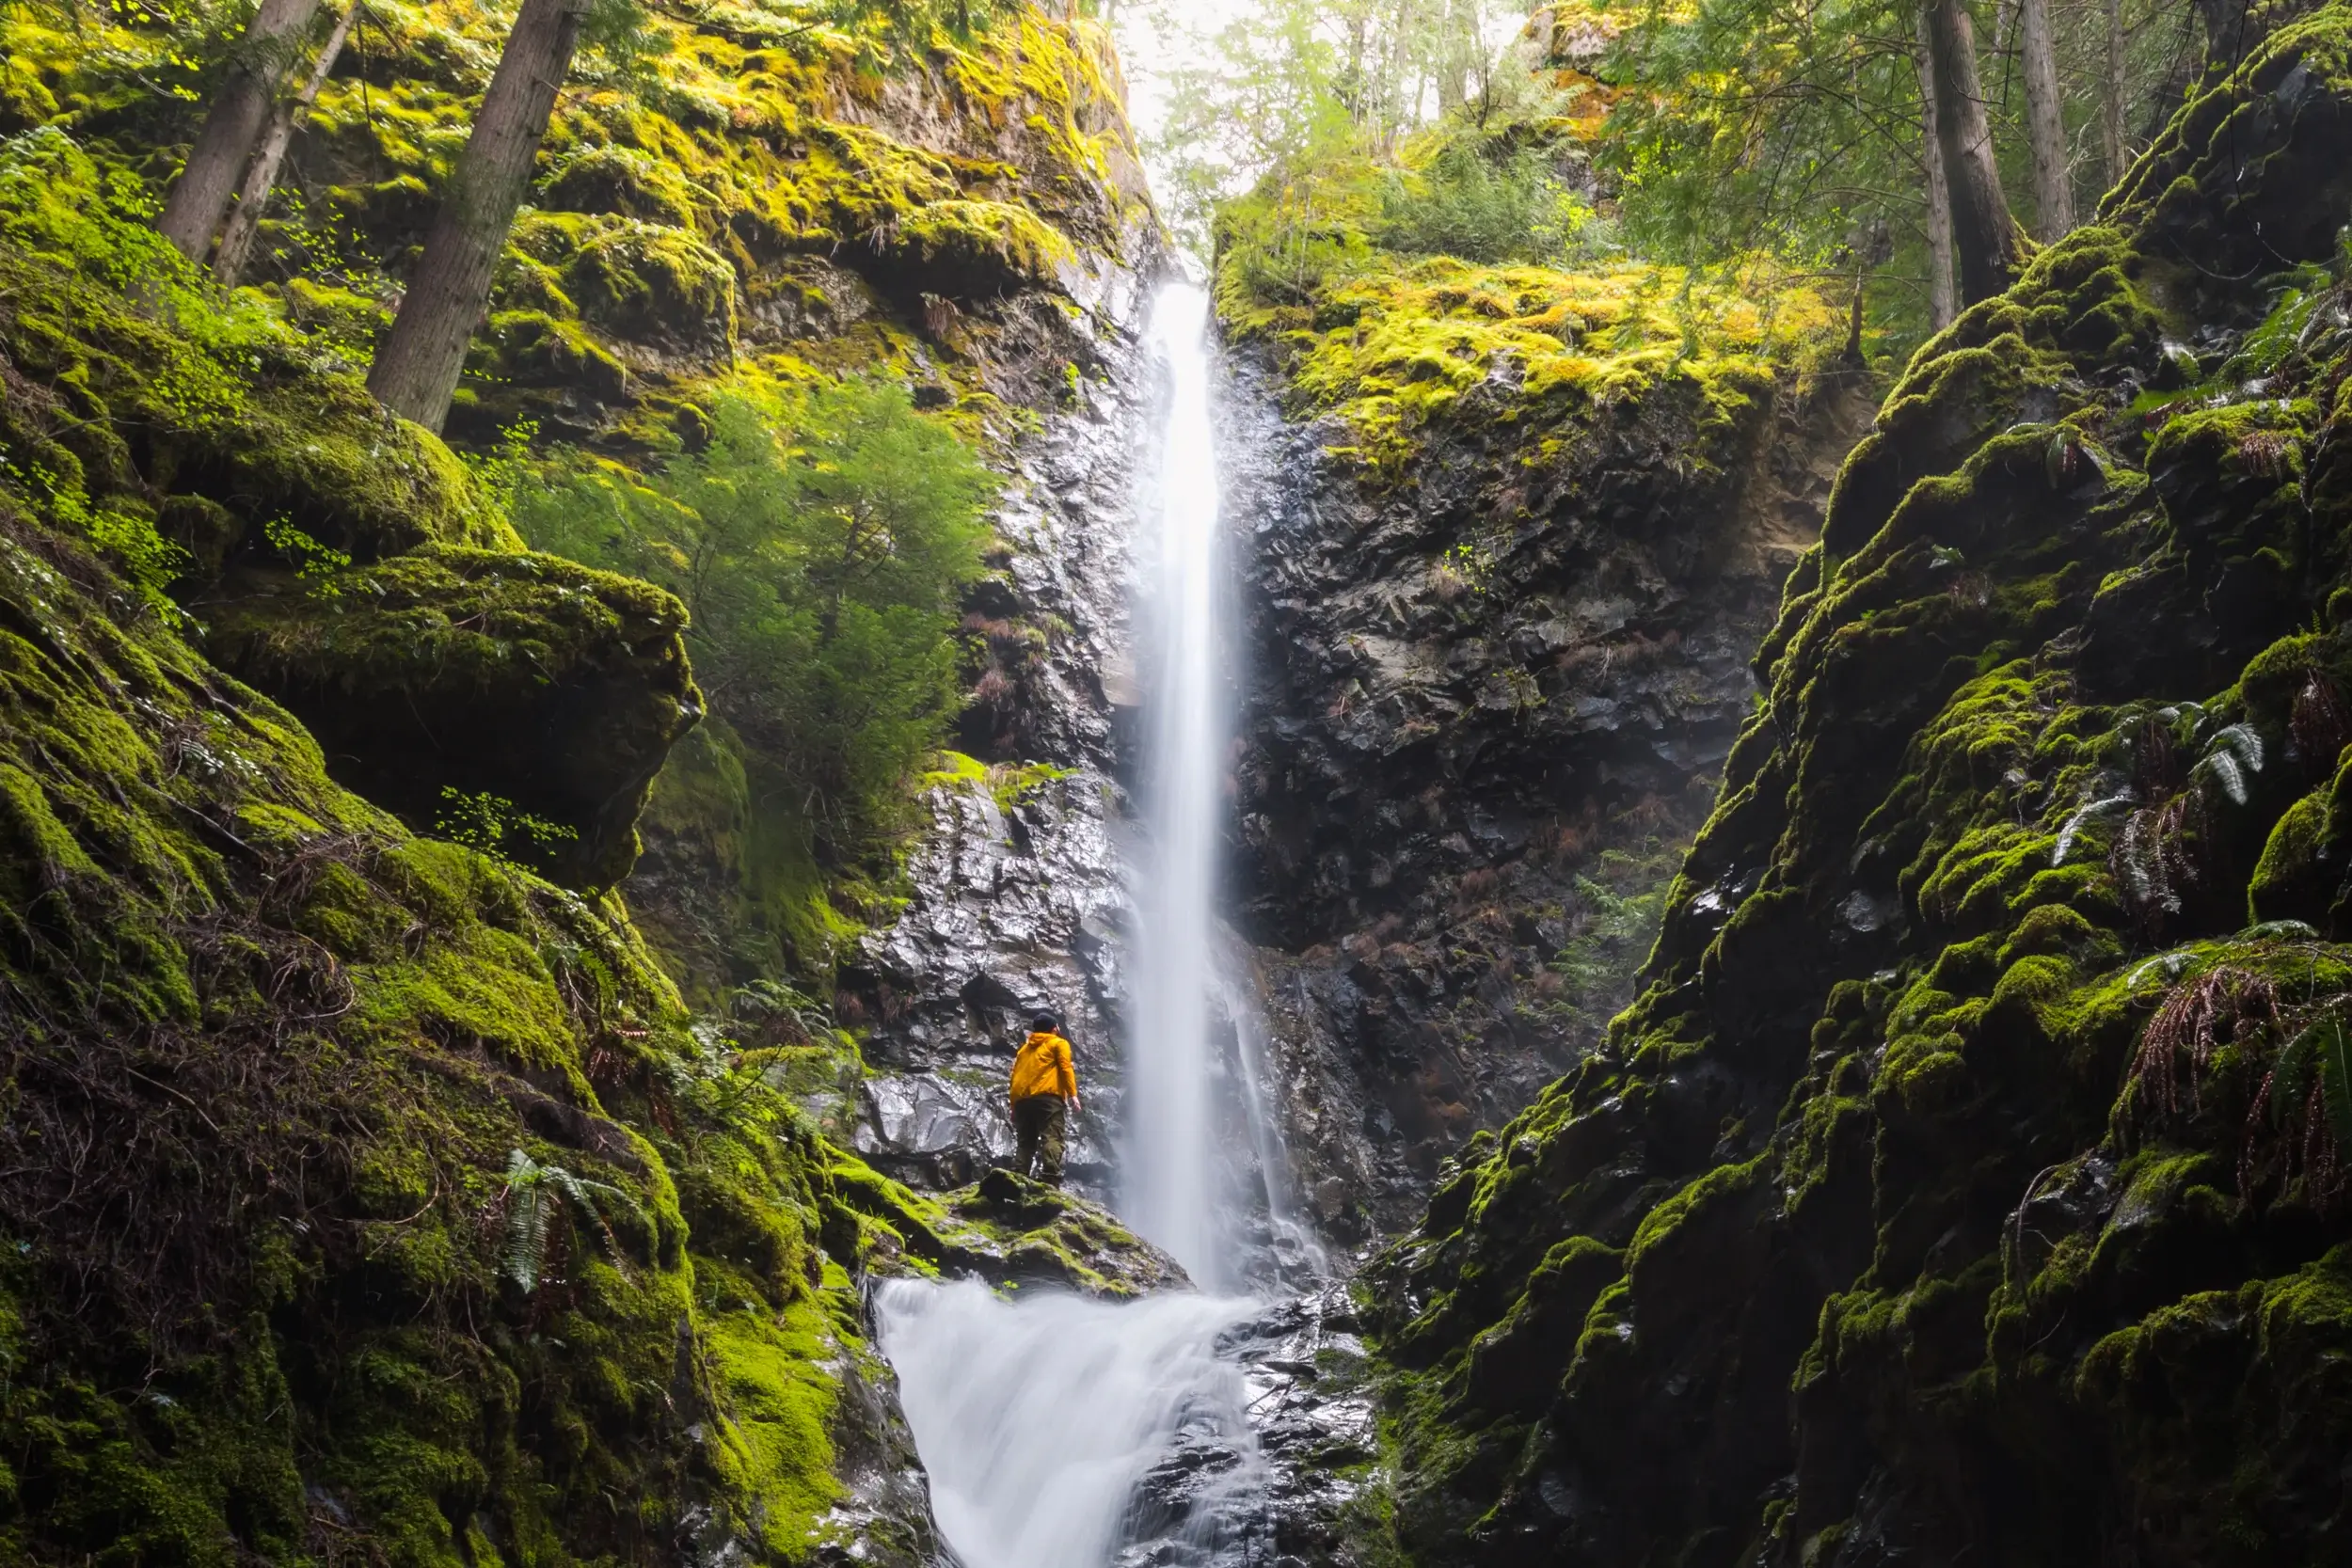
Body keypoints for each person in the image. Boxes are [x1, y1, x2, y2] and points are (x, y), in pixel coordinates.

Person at [1009, 1012, 1079, 1186]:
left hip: (1022, 1100)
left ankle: (1018, 1177)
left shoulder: (1024, 1050)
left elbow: (1015, 1076)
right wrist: (1073, 1095)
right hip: (1048, 1097)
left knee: (1025, 1141)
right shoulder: (1058, 1043)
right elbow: (1065, 1068)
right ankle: (1050, 1177)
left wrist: (1013, 1105)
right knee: (1052, 1136)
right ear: (1054, 1028)